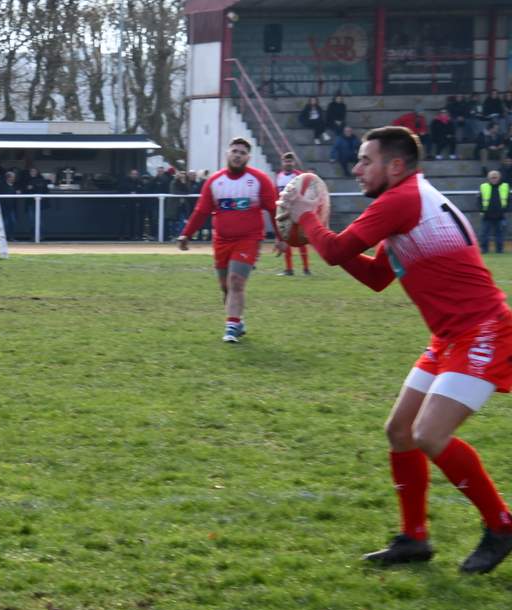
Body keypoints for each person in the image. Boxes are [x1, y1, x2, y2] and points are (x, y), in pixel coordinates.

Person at [285, 125, 512, 573]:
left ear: (395, 165)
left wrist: (306, 216)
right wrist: (315, 229)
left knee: (429, 435)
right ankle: (415, 538)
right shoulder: (408, 202)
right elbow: (376, 277)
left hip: (483, 330)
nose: (356, 168)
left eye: (365, 160)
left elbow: (334, 251)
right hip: (449, 336)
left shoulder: (402, 200)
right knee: (399, 430)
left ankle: (502, 524)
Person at [176, 137, 279, 344]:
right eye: (235, 151)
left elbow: (274, 209)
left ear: (248, 157)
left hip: (248, 239)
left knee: (236, 281)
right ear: (228, 153)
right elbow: (201, 211)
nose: (238, 155)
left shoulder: (260, 180)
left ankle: (231, 327)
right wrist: (186, 234)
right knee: (225, 287)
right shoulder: (215, 182)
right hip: (222, 241)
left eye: (242, 152)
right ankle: (237, 321)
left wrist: (281, 236)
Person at [274, 152, 311, 276]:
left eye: (290, 161)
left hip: (297, 212)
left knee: (300, 239)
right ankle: (289, 269)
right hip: (284, 213)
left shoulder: (299, 176)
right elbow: (277, 194)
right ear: (282, 162)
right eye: (286, 161)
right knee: (287, 238)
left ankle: (306, 268)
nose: (288, 163)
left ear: (294, 162)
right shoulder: (278, 177)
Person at [479, 169, 508, 254]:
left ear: (499, 178)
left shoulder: (505, 186)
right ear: (489, 178)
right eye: (492, 177)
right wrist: (481, 210)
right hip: (487, 214)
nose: (494, 179)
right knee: (484, 233)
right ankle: (484, 250)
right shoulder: (483, 186)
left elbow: (509, 200)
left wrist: (505, 210)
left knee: (500, 234)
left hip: (500, 215)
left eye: (495, 177)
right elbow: (479, 200)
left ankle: (499, 250)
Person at [23, 167, 50, 239]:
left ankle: (40, 236)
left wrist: (34, 189)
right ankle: (33, 236)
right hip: (30, 203)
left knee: (39, 220)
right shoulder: (26, 180)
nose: (32, 173)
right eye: (31, 171)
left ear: (37, 172)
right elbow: (24, 191)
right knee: (31, 221)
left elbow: (45, 191)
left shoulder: (41, 180)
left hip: (40, 204)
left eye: (34, 171)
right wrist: (27, 189)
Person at [0, 170, 20, 239]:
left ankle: (11, 237)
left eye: (14, 177)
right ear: (8, 178)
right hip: (3, 207)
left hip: (12, 208)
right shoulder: (1, 185)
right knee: (4, 223)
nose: (14, 179)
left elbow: (18, 194)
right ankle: (2, 238)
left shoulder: (15, 185)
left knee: (13, 222)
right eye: (12, 177)